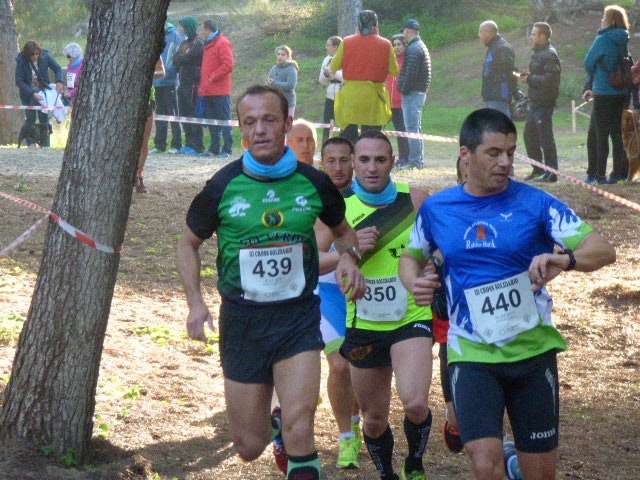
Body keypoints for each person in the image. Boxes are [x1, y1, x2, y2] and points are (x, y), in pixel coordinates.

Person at [401, 108, 616, 480]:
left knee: (540, 474)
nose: (505, 162)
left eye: (511, 153)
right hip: (472, 353)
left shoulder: (537, 204)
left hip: (532, 354)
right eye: (494, 152)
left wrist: (565, 260)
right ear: (466, 155)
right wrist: (413, 282)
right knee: (484, 464)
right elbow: (410, 256)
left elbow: (603, 249)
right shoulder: (438, 209)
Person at [176, 85, 365, 480]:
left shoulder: (314, 183)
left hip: (298, 318)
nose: (259, 129)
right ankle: (270, 427)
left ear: (286, 123)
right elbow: (187, 243)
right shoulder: (223, 185)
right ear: (241, 128)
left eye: (268, 120)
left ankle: (292, 438)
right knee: (249, 446)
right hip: (243, 323)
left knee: (301, 425)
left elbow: (345, 233)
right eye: (250, 122)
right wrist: (195, 302)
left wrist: (350, 258)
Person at [337, 131, 433, 480]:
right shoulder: (338, 209)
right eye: (364, 160)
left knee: (416, 403)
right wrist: (347, 252)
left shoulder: (416, 199)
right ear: (353, 163)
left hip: (411, 315)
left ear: (392, 161)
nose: (372, 167)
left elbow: (440, 247)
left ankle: (415, 464)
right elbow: (311, 257)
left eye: (380, 159)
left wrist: (432, 266)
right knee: (374, 420)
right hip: (364, 321)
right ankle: (387, 473)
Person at [315, 137, 363, 469]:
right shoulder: (313, 201)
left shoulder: (370, 196)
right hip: (327, 295)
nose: (338, 167)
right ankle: (346, 436)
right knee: (340, 366)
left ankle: (357, 422)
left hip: (364, 296)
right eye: (330, 161)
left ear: (354, 162)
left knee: (360, 369)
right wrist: (350, 249)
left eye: (344, 160)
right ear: (322, 164)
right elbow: (311, 258)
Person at [330, 10, 399, 144]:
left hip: (351, 97)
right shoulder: (385, 44)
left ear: (358, 25)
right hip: (374, 97)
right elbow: (394, 70)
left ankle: (350, 156)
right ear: (376, 25)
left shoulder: (346, 42)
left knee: (348, 138)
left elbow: (333, 66)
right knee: (371, 139)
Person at [584, 5, 630, 184]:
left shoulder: (602, 39)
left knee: (599, 134)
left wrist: (596, 75)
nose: (601, 20)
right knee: (617, 135)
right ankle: (618, 173)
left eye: (604, 17)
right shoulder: (624, 38)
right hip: (621, 92)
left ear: (610, 20)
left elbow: (588, 62)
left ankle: (599, 174)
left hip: (604, 91)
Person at [520, 22, 561, 183]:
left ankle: (552, 173)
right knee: (529, 135)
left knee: (545, 138)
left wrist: (530, 78)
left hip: (544, 102)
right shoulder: (538, 53)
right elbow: (540, 75)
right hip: (535, 102)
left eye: (534, 34)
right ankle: (538, 169)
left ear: (542, 36)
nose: (531, 36)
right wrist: (528, 76)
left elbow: (550, 80)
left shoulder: (550, 55)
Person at [14, 40, 64, 148]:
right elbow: (19, 81)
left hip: (43, 92)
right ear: (27, 54)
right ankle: (31, 144)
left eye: (37, 54)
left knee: (44, 119)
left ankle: (45, 145)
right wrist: (32, 93)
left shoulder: (45, 56)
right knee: (30, 119)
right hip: (28, 94)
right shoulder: (21, 61)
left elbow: (58, 68)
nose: (35, 56)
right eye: (32, 54)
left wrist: (59, 81)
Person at [199, 19, 235, 159]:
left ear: (208, 29)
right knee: (212, 121)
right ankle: (214, 148)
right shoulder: (208, 45)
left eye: (203, 29)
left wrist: (213, 77)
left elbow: (228, 64)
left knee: (224, 120)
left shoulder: (222, 42)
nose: (201, 32)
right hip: (208, 91)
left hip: (220, 91)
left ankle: (227, 149)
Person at [399, 19, 431, 169]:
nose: (403, 35)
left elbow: (411, 73)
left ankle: (415, 162)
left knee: (412, 128)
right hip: (418, 91)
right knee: (415, 127)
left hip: (413, 92)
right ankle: (417, 160)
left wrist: (403, 89)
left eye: (404, 32)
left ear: (408, 31)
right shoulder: (419, 46)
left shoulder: (413, 48)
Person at [173, 16, 205, 156]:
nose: (181, 29)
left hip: (193, 84)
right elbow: (175, 59)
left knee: (193, 114)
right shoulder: (184, 43)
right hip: (183, 83)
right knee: (183, 113)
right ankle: (188, 143)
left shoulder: (199, 42)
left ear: (189, 27)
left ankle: (197, 145)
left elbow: (190, 57)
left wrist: (183, 57)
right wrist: (183, 56)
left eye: (183, 26)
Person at [152, 21, 184, 154]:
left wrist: (168, 73)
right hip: (157, 82)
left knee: (173, 113)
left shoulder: (175, 36)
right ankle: (160, 145)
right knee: (160, 114)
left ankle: (176, 144)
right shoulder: (155, 36)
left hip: (170, 82)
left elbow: (177, 59)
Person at [136, 58, 166, 193]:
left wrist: (147, 74)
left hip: (147, 99)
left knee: (143, 141)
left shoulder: (152, 50)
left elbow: (162, 71)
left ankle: (139, 175)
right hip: (126, 100)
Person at [479, 21, 517, 118]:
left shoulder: (502, 48)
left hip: (499, 95)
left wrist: (510, 92)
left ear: (489, 33)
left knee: (500, 124)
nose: (479, 36)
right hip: (492, 95)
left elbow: (509, 72)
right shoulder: (493, 47)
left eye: (481, 32)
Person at [386, 34, 409, 167]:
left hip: (401, 102)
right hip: (389, 102)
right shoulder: (391, 60)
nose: (396, 47)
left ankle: (405, 157)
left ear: (405, 45)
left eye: (399, 44)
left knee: (402, 131)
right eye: (394, 45)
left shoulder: (408, 60)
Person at [319, 36, 343, 144]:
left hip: (342, 95)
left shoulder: (345, 58)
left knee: (343, 123)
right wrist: (326, 74)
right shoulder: (327, 59)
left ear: (336, 47)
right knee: (327, 123)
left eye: (328, 45)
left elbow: (345, 77)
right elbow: (322, 81)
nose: (326, 47)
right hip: (330, 95)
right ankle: (325, 145)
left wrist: (333, 72)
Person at [268, 45, 299, 118]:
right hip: (275, 103)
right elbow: (269, 83)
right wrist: (268, 83)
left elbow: (290, 85)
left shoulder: (291, 69)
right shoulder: (274, 68)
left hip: (288, 103)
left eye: (283, 54)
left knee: (287, 124)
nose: (280, 56)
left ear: (288, 56)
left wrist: (274, 83)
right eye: (278, 54)